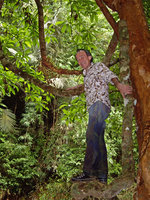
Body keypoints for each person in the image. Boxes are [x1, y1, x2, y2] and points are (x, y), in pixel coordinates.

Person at [69, 49, 132, 183]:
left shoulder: (98, 66)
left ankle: (88, 172)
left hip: (100, 104)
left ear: (90, 57)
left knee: (90, 134)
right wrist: (75, 88)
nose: (80, 60)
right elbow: (90, 84)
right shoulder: (86, 74)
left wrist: (119, 85)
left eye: (82, 57)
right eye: (78, 59)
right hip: (93, 108)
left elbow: (110, 75)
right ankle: (102, 176)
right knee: (98, 139)